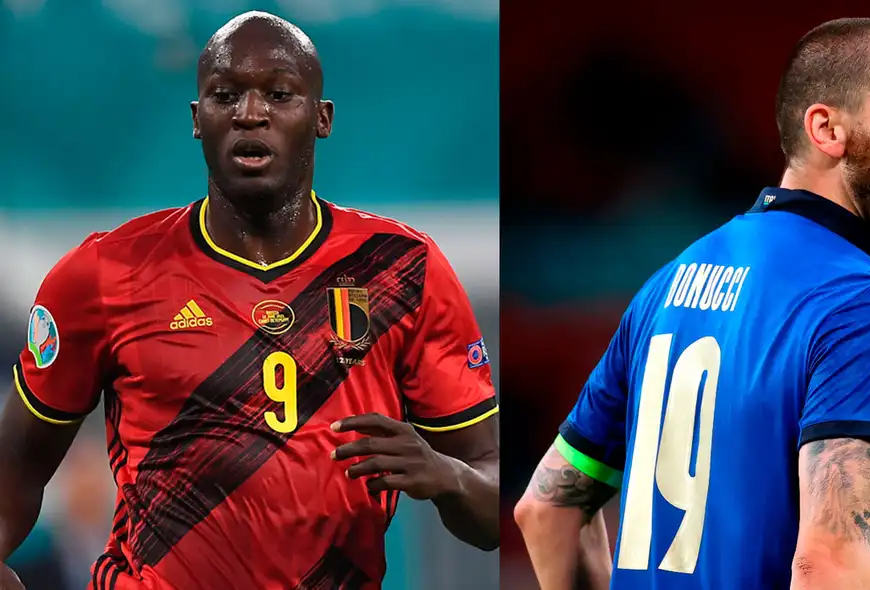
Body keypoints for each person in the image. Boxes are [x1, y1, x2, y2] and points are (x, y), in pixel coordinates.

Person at [0, 10, 499, 590]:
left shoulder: (403, 270)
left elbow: (492, 508)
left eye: (280, 94)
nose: (250, 113)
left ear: (322, 118)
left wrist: (449, 477)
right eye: (225, 94)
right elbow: (17, 465)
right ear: (197, 119)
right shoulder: (104, 274)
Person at [514, 17, 870, 590]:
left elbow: (546, 508)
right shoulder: (866, 306)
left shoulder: (667, 284)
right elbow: (825, 562)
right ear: (826, 129)